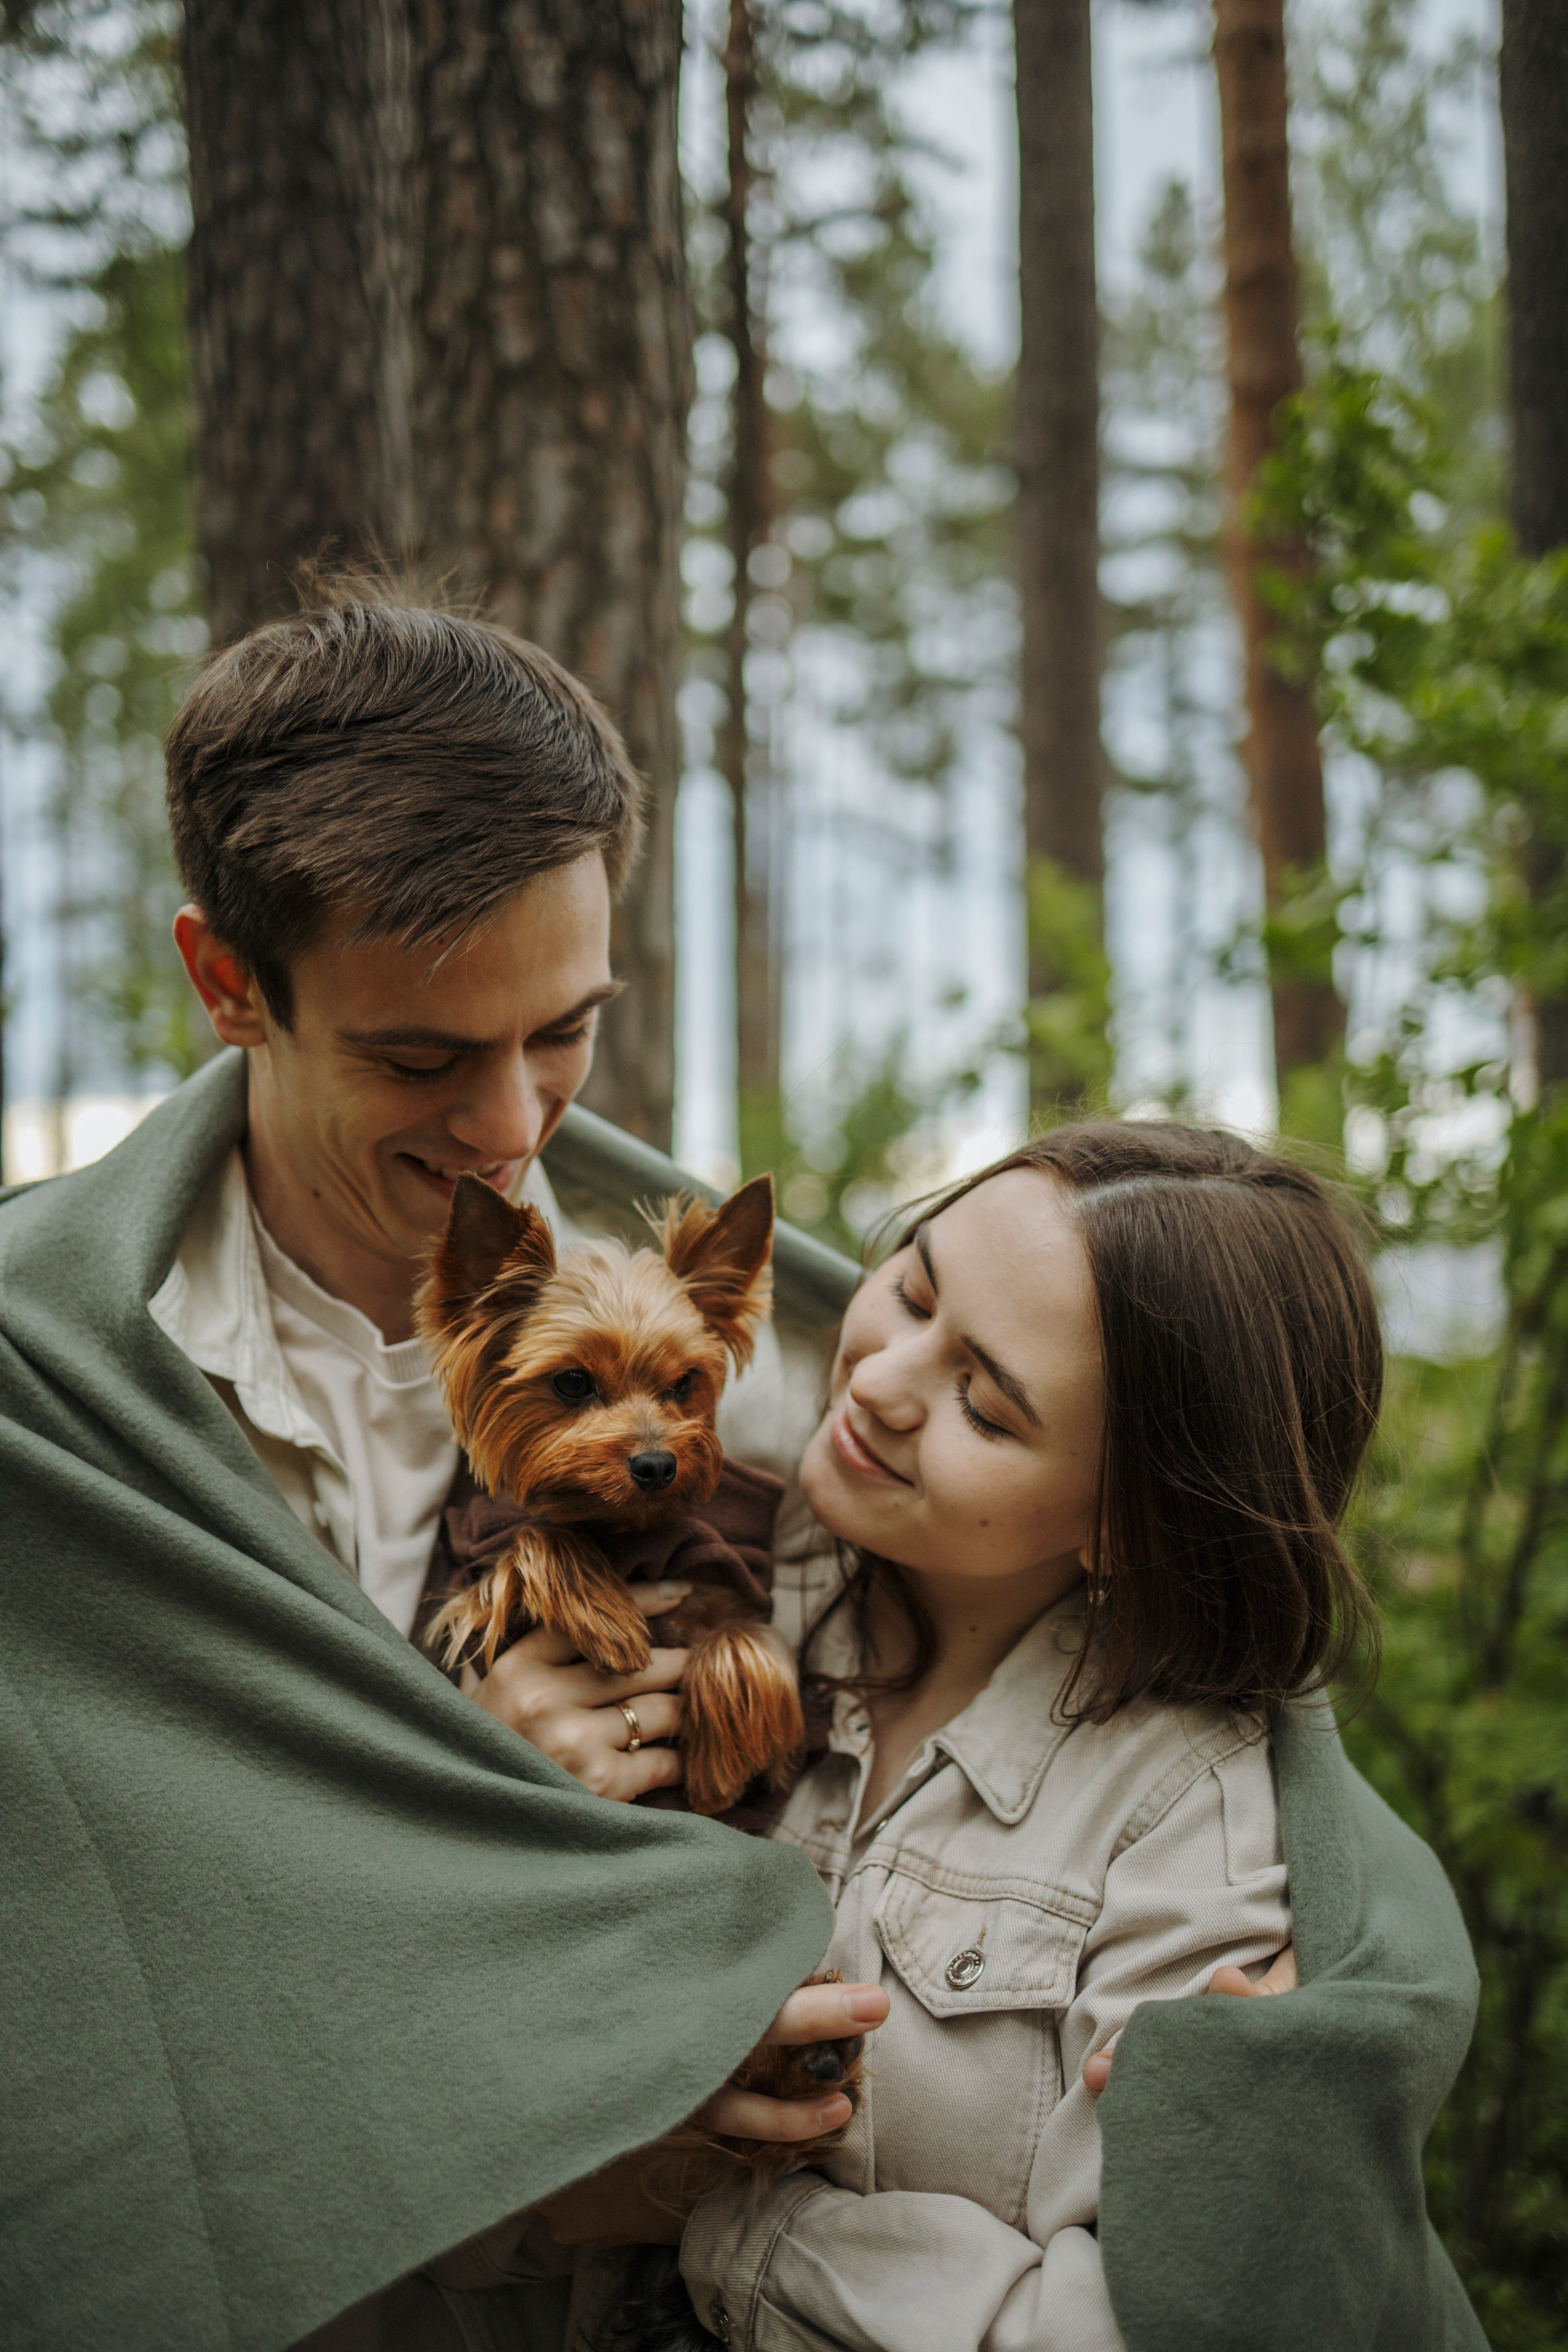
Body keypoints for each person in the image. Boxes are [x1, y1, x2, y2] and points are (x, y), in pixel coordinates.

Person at [0, 586, 873, 2352]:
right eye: (420, 1057)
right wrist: (460, 1810)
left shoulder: (750, 1341)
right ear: (225, 981)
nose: (512, 1129)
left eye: (565, 1032)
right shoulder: (49, 1380)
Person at [505, 1124, 1490, 2352]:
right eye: (911, 1288)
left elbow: (1128, 2330)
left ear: (1126, 1518)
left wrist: (708, 2214)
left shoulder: (1187, 1829)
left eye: (980, 1401)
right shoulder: (708, 1566)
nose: (875, 1380)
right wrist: (481, 1772)